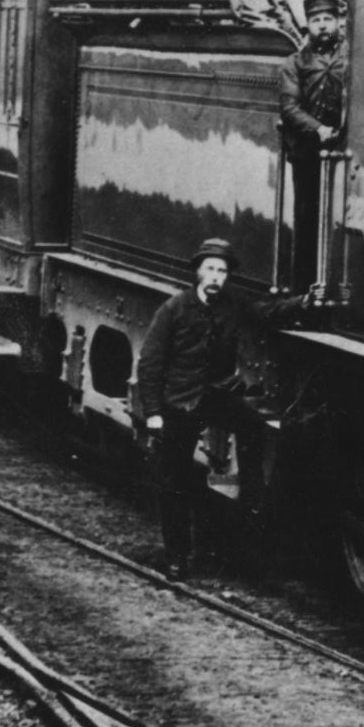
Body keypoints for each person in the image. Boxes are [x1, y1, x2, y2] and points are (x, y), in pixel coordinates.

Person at [136, 238, 308, 579]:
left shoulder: (232, 305)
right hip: (180, 402)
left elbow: (266, 312)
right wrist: (154, 412)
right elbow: (150, 364)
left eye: (222, 271)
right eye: (211, 269)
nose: (216, 276)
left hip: (215, 397)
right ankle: (177, 557)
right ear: (198, 272)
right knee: (175, 480)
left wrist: (305, 302)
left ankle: (250, 501)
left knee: (253, 428)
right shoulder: (174, 309)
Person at [278, 0, 349, 290]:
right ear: (307, 25)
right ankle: (303, 290)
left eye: (327, 19)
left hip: (347, 149)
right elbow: (290, 108)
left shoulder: (353, 58)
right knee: (307, 221)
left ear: (339, 22)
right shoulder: (293, 64)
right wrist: (318, 129)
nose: (322, 25)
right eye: (316, 20)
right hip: (307, 152)